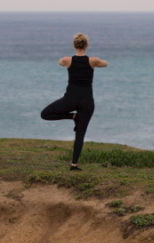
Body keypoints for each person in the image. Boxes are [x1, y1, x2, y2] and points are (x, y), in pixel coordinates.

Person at [40, 33, 108, 171]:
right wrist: (96, 62)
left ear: (74, 45)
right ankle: (74, 165)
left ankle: (72, 116)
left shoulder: (67, 60)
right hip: (87, 102)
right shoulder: (93, 61)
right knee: (80, 134)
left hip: (70, 100)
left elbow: (59, 62)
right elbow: (105, 64)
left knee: (45, 114)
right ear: (87, 45)